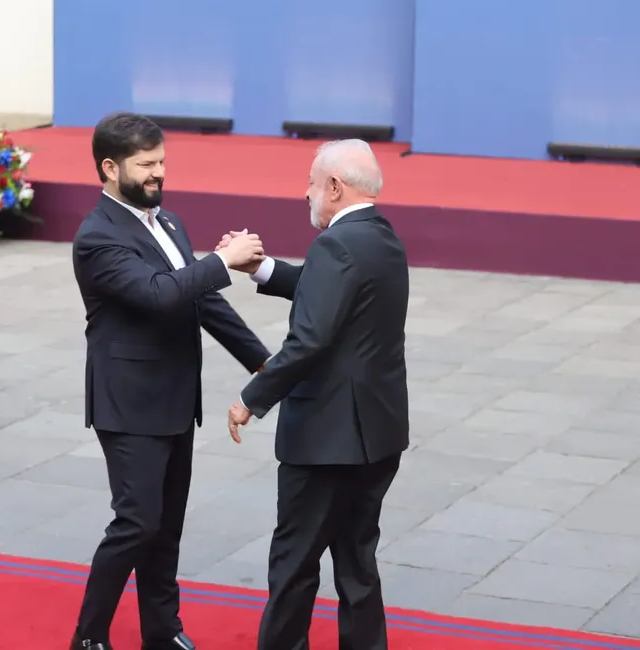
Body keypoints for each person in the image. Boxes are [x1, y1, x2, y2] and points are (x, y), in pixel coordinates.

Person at [70, 112, 272, 650]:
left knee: (166, 527)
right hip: (129, 403)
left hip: (176, 400)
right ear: (109, 168)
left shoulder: (170, 223)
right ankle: (88, 638)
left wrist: (263, 363)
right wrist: (222, 260)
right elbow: (159, 294)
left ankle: (162, 631)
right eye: (146, 165)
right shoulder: (97, 237)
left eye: (161, 161)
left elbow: (201, 300)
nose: (159, 173)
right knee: (136, 523)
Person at [222, 139, 410, 650]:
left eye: (310, 182)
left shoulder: (335, 245)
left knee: (294, 565)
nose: (305, 193)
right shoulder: (381, 237)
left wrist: (251, 398)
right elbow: (325, 286)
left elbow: (308, 340)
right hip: (377, 435)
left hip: (327, 440)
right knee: (357, 565)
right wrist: (261, 268)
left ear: (334, 186)